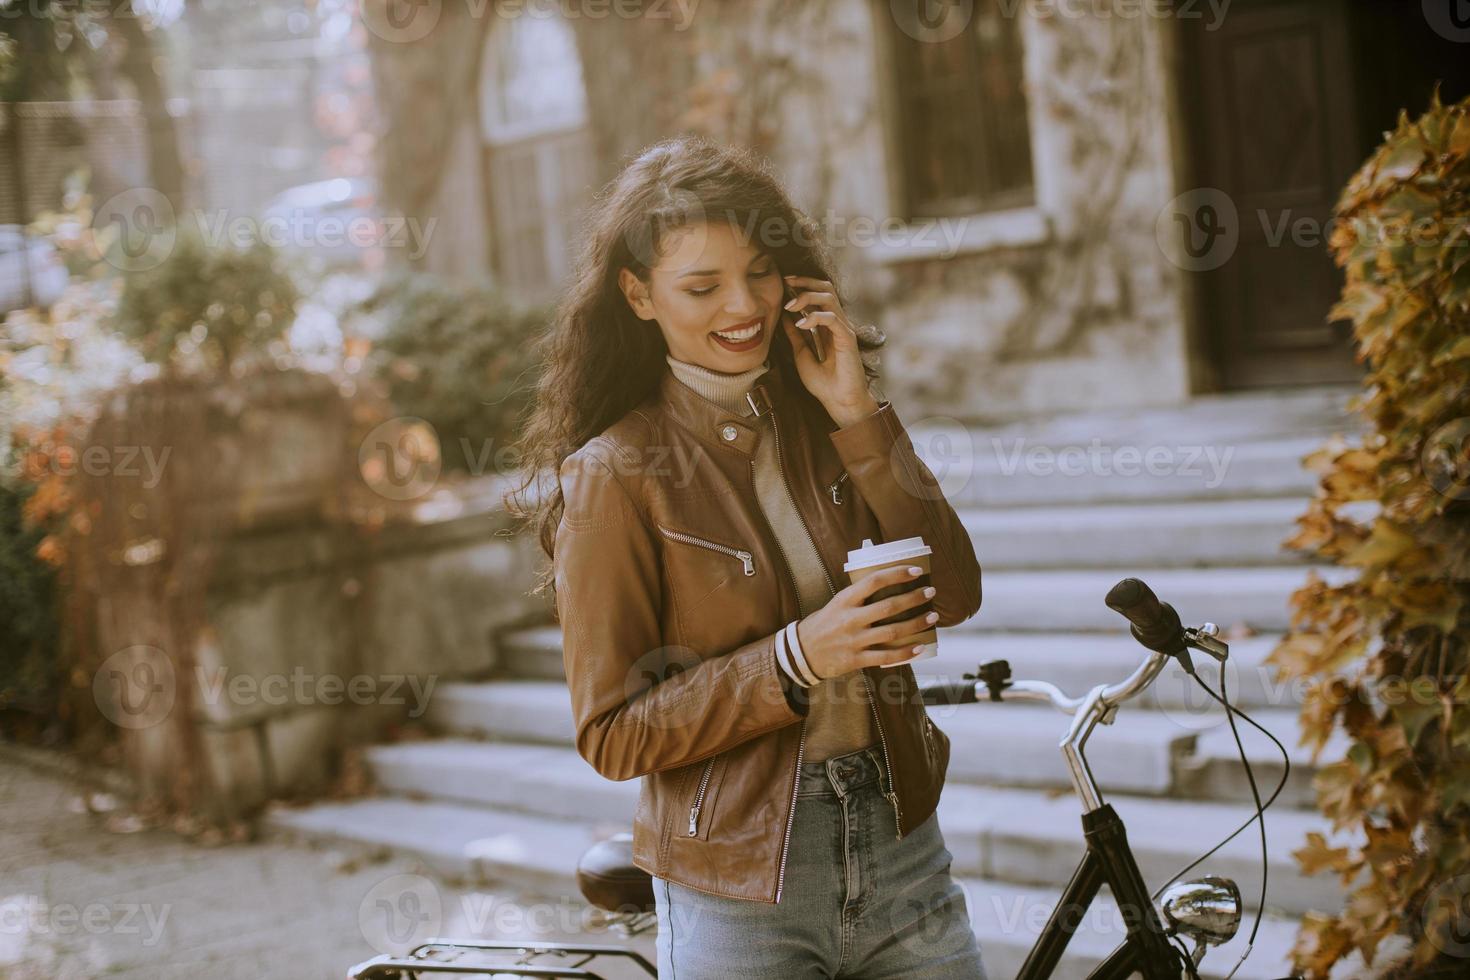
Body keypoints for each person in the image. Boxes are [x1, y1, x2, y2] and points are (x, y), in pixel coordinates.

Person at [506, 135, 987, 979]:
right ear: (638, 295)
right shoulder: (614, 473)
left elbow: (955, 588)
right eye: (702, 285)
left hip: (900, 844)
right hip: (738, 881)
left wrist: (855, 409)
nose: (744, 304)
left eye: (760, 272)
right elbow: (611, 732)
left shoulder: (827, 421)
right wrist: (799, 659)